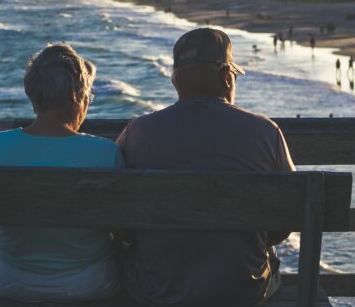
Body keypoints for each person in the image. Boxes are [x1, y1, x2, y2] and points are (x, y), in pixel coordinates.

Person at [117, 28, 295, 306]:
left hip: (156, 290)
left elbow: (120, 222)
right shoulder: (266, 132)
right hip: (243, 291)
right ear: (226, 76)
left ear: (176, 80)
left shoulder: (136, 131)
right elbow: (286, 220)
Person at [0, 44, 121, 302]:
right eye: (88, 96)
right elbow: (123, 227)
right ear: (76, 96)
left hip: (9, 280)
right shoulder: (105, 152)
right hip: (86, 283)